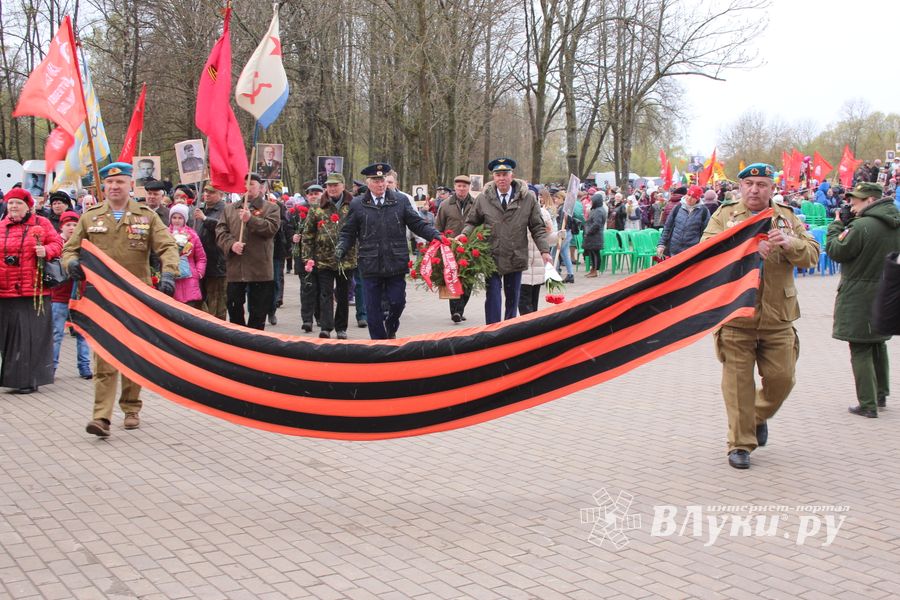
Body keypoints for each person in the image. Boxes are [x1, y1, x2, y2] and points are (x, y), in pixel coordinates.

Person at [701, 163, 819, 469]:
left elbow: (812, 255)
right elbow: (706, 254)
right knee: (738, 385)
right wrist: (749, 249)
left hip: (778, 316)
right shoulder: (724, 216)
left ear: (772, 188)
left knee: (783, 378)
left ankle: (756, 417)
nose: (755, 189)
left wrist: (791, 244)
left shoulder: (786, 217)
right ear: (741, 187)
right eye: (750, 183)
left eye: (762, 184)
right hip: (737, 316)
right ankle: (740, 444)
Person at [62, 162, 180, 437]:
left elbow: (168, 246)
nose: (115, 187)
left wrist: (169, 274)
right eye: (110, 184)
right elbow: (70, 249)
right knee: (104, 356)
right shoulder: (90, 217)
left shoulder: (147, 216)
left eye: (120, 183)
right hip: (101, 297)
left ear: (130, 186)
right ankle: (101, 417)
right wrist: (71, 264)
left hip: (134, 297)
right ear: (104, 187)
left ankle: (130, 407)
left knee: (132, 353)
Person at [336, 162, 441, 339]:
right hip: (370, 264)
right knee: (373, 308)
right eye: (376, 180)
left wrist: (436, 236)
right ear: (368, 182)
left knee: (397, 302)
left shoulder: (400, 201)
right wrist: (341, 247)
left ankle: (391, 327)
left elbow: (416, 223)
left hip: (396, 262)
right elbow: (348, 231)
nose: (380, 184)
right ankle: (379, 343)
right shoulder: (358, 204)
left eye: (383, 179)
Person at [825, 182, 900, 417]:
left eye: (856, 201)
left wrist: (837, 225)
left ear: (870, 200)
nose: (851, 206)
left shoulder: (861, 226)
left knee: (860, 347)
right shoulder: (895, 223)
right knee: (878, 342)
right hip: (887, 290)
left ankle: (867, 404)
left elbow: (836, 250)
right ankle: (880, 394)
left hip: (859, 293)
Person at [460, 157, 551, 324]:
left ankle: (509, 329)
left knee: (512, 297)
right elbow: (472, 222)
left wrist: (544, 250)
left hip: (515, 255)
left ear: (512, 176)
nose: (501, 178)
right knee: (493, 295)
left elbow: (537, 227)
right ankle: (493, 330)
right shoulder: (483, 198)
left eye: (505, 174)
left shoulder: (527, 198)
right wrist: (464, 235)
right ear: (493, 177)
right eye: (498, 174)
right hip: (491, 256)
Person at [0, 188, 63, 393]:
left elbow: (58, 243)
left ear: (28, 206)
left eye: (18, 203)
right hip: (6, 290)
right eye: (10, 203)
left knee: (30, 337)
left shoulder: (41, 223)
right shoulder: (1, 227)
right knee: (10, 337)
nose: (14, 207)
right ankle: (12, 378)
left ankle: (29, 380)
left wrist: (46, 251)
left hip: (33, 290)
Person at [215, 173, 280, 330]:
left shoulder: (271, 208)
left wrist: (250, 219)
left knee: (258, 310)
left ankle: (256, 341)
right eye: (244, 184)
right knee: (234, 305)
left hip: (260, 268)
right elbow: (220, 231)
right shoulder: (230, 209)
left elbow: (271, 229)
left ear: (261, 187)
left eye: (251, 184)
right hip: (236, 267)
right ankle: (239, 338)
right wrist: (231, 245)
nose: (247, 187)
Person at [302, 173, 356, 339]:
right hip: (323, 258)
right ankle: (326, 327)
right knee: (325, 293)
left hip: (346, 259)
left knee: (343, 294)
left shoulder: (353, 205)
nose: (332, 189)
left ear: (342, 186)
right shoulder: (318, 206)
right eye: (329, 185)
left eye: (335, 185)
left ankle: (341, 328)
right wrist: (307, 257)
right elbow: (308, 233)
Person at [50, 210, 92, 380]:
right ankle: (51, 367)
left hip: (80, 295)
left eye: (75, 225)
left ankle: (84, 366)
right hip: (59, 295)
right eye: (68, 225)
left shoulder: (85, 245)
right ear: (62, 226)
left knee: (82, 333)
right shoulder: (57, 244)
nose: (72, 228)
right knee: (56, 333)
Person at [435, 175, 476, 322]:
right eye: (459, 186)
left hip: (471, 247)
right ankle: (456, 311)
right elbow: (438, 226)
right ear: (455, 187)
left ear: (468, 187)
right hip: (450, 247)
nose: (462, 189)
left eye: (464, 186)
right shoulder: (445, 205)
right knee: (453, 278)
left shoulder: (475, 203)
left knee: (468, 280)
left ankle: (461, 308)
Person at [519, 190, 557, 314]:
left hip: (538, 263)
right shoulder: (518, 213)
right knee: (524, 299)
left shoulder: (544, 213)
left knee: (534, 301)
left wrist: (559, 236)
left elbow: (548, 239)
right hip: (523, 261)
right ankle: (526, 326)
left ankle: (532, 324)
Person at [193, 184, 227, 319]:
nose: (207, 194)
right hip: (199, 264)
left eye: (211, 192)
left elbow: (222, 227)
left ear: (221, 195)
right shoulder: (200, 210)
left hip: (216, 263)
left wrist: (205, 219)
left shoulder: (225, 210)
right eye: (206, 191)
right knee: (200, 301)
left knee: (217, 303)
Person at [168, 204, 207, 308]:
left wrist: (198, 273)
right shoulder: (165, 234)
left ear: (185, 219)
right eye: (174, 217)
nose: (177, 220)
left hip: (189, 279)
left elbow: (201, 258)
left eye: (180, 218)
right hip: (171, 278)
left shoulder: (192, 235)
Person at [296, 184, 323, 332]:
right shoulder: (298, 211)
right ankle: (307, 320)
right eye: (311, 194)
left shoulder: (326, 209)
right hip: (304, 256)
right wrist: (293, 236)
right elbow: (287, 227)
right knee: (307, 288)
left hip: (323, 256)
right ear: (306, 196)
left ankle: (320, 317)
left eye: (317, 193)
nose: (314, 196)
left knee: (322, 289)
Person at [657, 185, 711, 258]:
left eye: (693, 197)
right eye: (688, 195)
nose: (689, 198)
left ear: (697, 199)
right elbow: (667, 227)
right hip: (674, 249)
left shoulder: (704, 211)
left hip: (692, 251)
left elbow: (706, 232)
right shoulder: (677, 207)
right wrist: (661, 245)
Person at [582, 192, 607, 277]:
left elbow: (596, 224)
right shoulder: (596, 209)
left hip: (595, 236)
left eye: (592, 201)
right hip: (593, 236)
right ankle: (592, 269)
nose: (591, 202)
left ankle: (595, 271)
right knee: (592, 253)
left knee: (595, 254)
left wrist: (589, 232)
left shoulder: (599, 211)